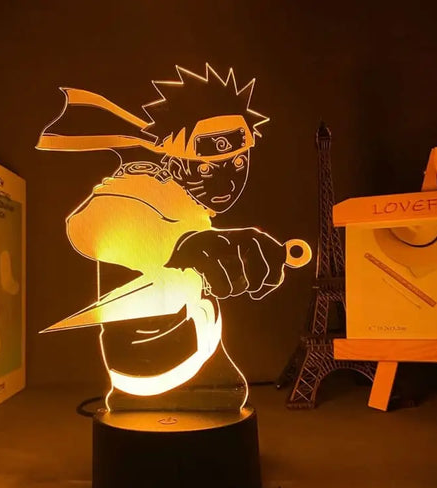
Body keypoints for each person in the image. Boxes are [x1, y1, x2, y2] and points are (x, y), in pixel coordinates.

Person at [38, 65, 308, 411]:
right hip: (151, 363)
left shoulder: (194, 205)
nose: (227, 182)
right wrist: (176, 246)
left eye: (239, 163)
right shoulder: (145, 183)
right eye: (206, 168)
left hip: (197, 357)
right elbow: (90, 223)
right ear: (177, 164)